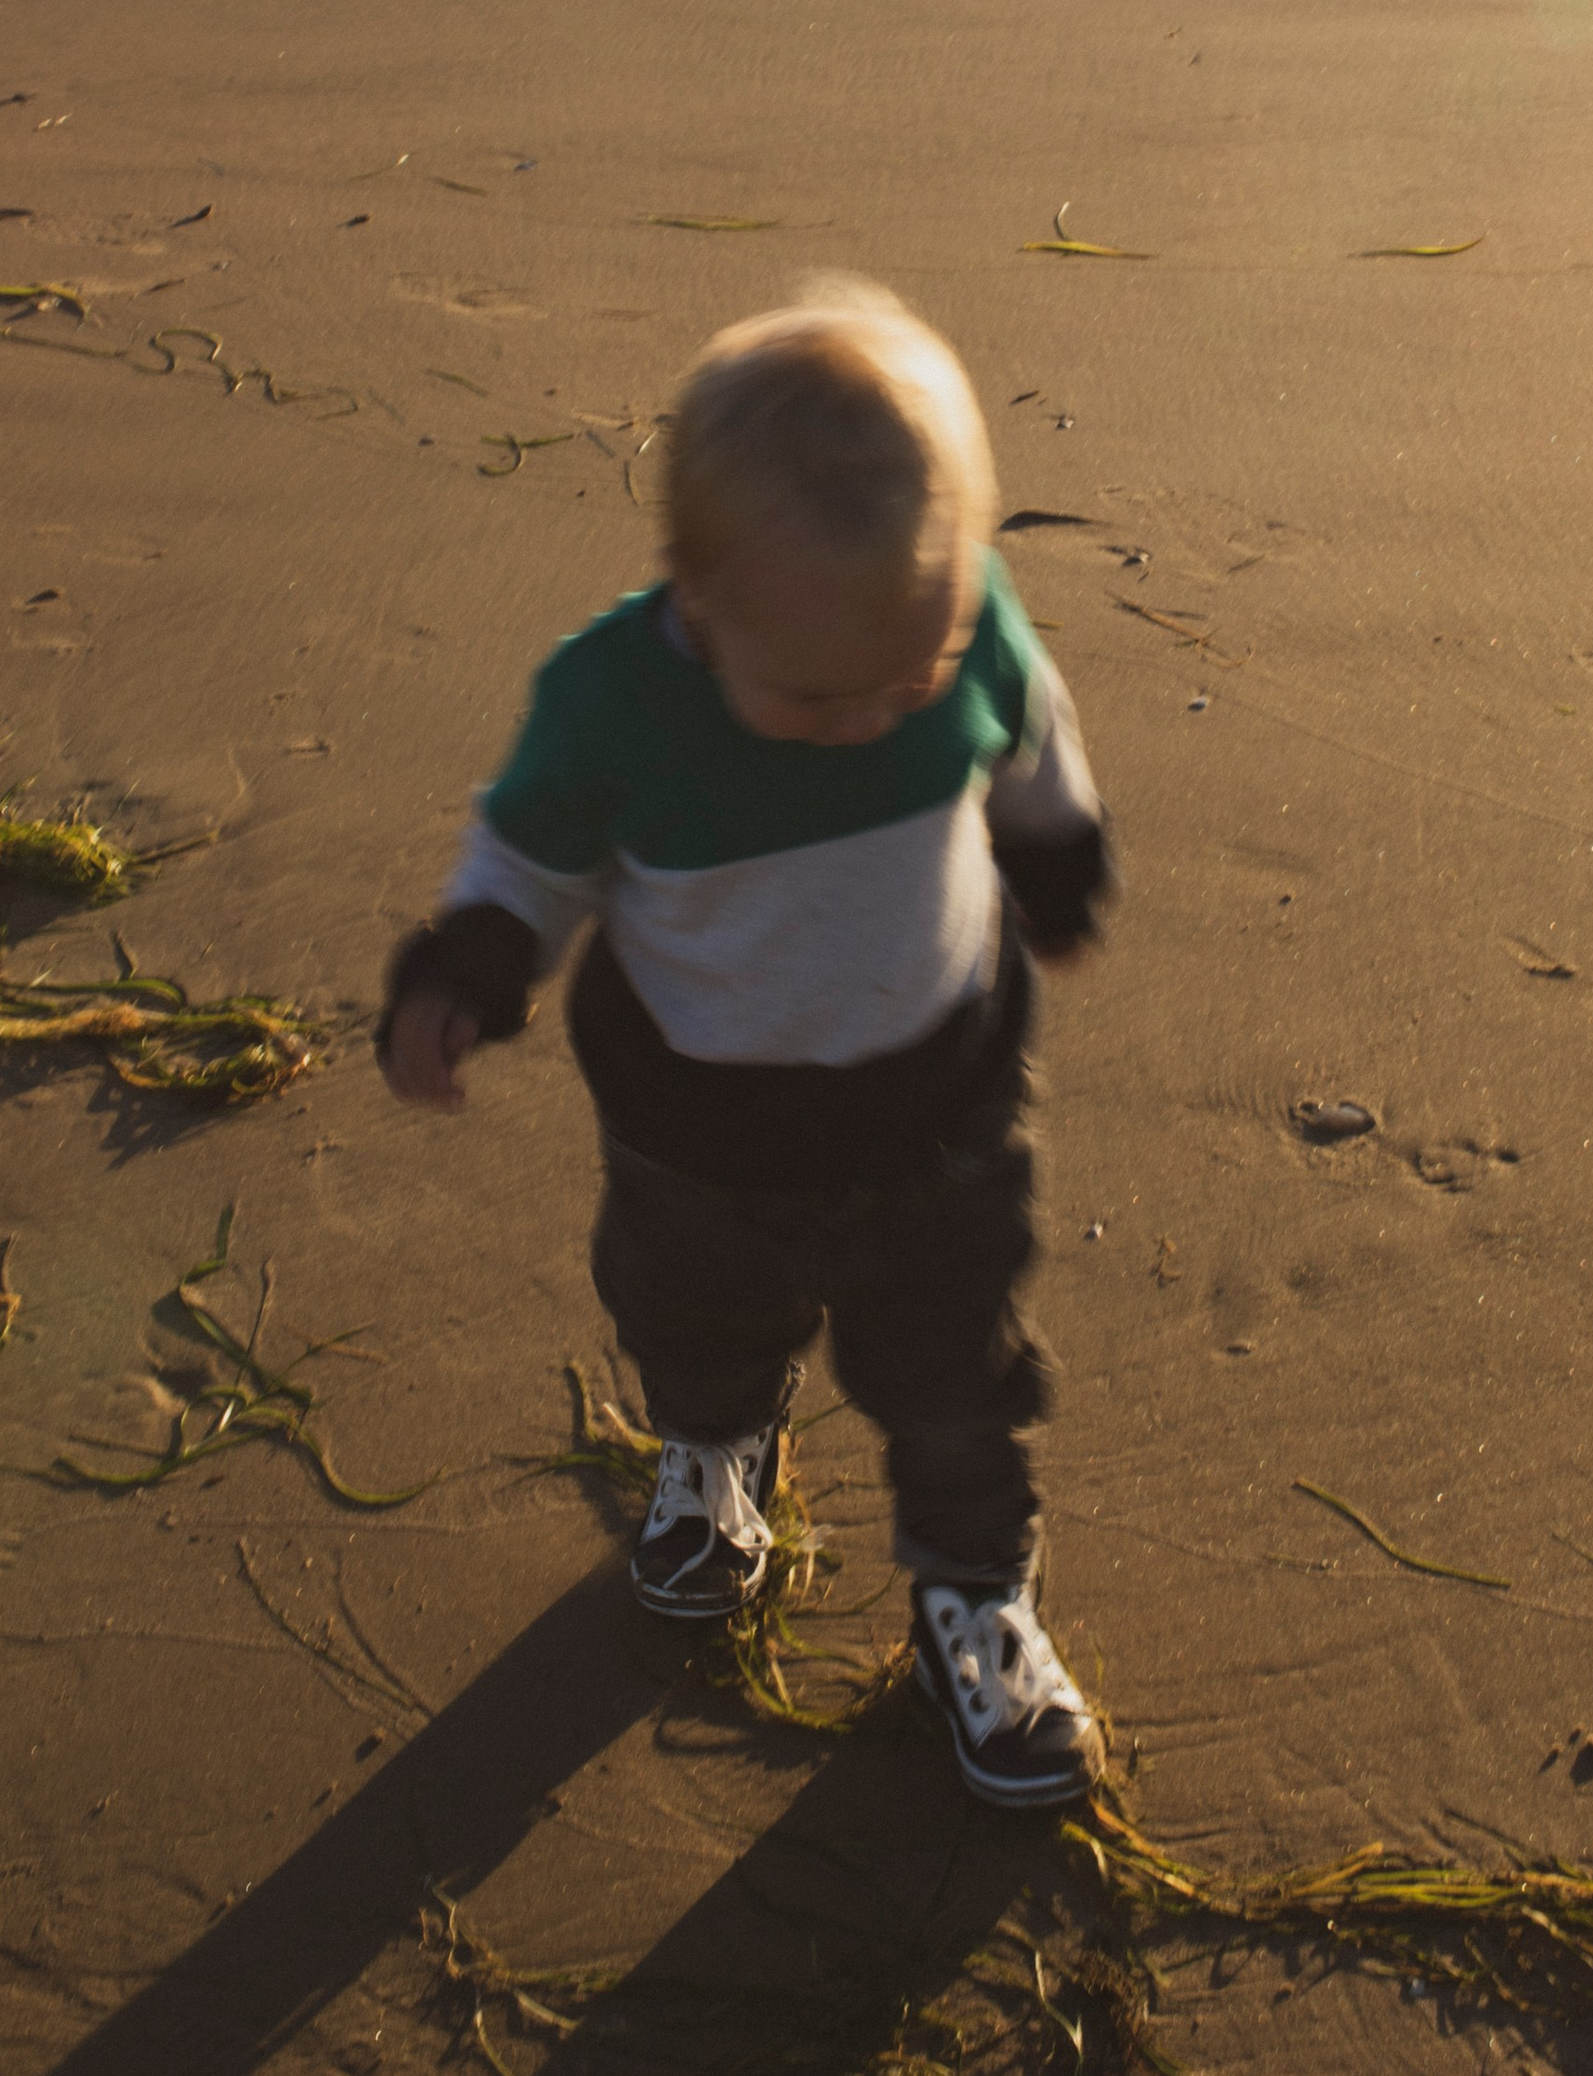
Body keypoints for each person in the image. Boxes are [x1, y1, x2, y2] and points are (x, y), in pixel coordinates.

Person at [377, 277, 1113, 1807]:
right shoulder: (613, 706)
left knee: (955, 1384)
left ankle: (974, 1601)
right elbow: (530, 860)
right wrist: (469, 966)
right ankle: (713, 1454)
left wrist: (1053, 854)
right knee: (692, 1314)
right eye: (825, 696)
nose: (881, 716)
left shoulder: (952, 627)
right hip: (695, 1131)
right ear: (694, 604)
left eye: (921, 665)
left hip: (939, 1119)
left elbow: (1029, 729)